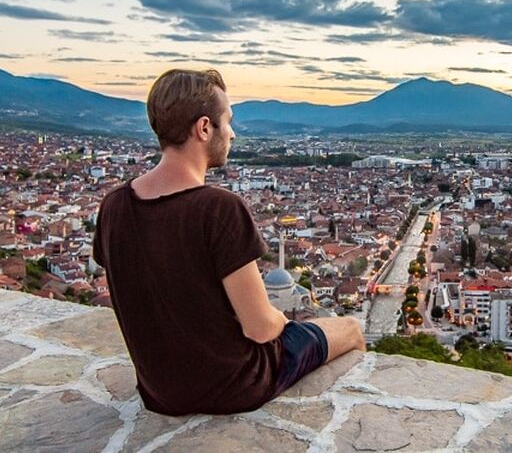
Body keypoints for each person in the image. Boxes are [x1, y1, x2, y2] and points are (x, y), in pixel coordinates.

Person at [92, 69, 365, 416]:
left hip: (158, 393)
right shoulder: (219, 209)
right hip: (236, 385)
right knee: (352, 329)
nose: (233, 133)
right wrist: (282, 320)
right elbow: (261, 328)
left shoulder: (114, 204)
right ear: (204, 128)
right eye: (228, 121)